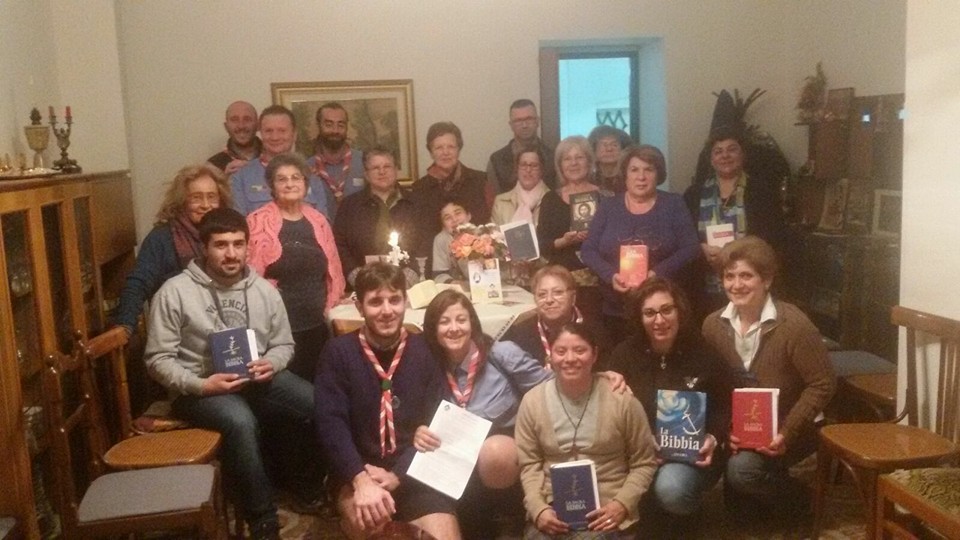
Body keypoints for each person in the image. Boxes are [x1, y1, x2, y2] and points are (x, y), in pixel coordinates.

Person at [144, 207, 318, 540]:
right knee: (240, 422)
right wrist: (201, 385)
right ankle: (263, 519)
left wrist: (272, 363)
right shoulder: (174, 292)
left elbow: (284, 344)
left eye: (238, 244)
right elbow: (157, 360)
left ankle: (310, 488)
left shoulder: (264, 291)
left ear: (247, 246)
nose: (231, 253)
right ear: (204, 248)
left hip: (256, 379)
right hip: (199, 389)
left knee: (318, 402)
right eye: (221, 245)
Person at [314, 263, 461, 540]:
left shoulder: (425, 350)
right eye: (375, 302)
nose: (387, 310)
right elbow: (331, 424)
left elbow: (436, 422)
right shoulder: (338, 352)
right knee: (374, 526)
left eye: (394, 300)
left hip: (415, 468)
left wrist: (399, 475)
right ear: (359, 307)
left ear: (405, 302)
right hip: (359, 470)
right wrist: (360, 478)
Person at [700, 236, 835, 520]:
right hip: (745, 426)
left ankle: (807, 500)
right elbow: (714, 386)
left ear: (767, 280)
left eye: (746, 276)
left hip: (794, 425)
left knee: (742, 472)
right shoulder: (712, 326)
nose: (736, 285)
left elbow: (823, 383)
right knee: (739, 511)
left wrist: (786, 431)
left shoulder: (794, 325)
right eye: (729, 276)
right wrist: (726, 430)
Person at [414, 290, 553, 539]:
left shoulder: (501, 353)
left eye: (461, 320)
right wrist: (419, 430)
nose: (454, 328)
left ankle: (506, 522)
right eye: (444, 322)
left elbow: (549, 387)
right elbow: (413, 412)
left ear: (473, 323)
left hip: (501, 447)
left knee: (494, 452)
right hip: (453, 448)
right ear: (432, 329)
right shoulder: (427, 363)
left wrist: (600, 377)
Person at [604, 277, 732, 536]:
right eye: (649, 313)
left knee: (671, 490)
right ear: (639, 317)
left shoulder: (703, 352)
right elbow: (610, 409)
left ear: (679, 311)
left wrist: (714, 436)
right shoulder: (624, 355)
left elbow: (727, 402)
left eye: (666, 310)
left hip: (691, 456)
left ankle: (689, 511)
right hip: (639, 453)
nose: (659, 320)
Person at [515, 322, 658, 538]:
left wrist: (622, 504)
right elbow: (529, 464)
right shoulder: (532, 402)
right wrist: (538, 509)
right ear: (550, 357)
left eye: (580, 350)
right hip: (552, 509)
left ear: (594, 355)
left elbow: (644, 462)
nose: (570, 358)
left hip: (608, 511)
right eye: (561, 351)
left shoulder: (622, 400)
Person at [581, 145, 700, 341]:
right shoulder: (608, 206)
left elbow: (691, 248)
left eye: (648, 169)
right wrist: (611, 276)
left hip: (663, 308)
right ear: (625, 174)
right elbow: (588, 250)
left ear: (658, 174)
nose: (641, 177)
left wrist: (656, 274)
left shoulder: (673, 204)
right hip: (615, 308)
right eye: (634, 170)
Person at [247, 153, 345, 382]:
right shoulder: (256, 221)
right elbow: (248, 279)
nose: (290, 184)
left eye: (296, 177)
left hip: (316, 326)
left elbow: (334, 272)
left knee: (319, 388)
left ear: (305, 183)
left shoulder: (319, 220)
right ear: (271, 186)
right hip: (275, 333)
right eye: (282, 179)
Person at [114, 163, 232, 335]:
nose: (205, 205)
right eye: (196, 198)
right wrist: (125, 326)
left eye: (212, 197)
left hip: (225, 326)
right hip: (177, 330)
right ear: (182, 200)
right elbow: (138, 283)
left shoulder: (231, 235)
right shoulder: (161, 237)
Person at [683, 126, 788, 318]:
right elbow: (683, 236)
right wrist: (700, 248)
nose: (725, 155)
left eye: (732, 149)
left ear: (742, 154)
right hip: (705, 286)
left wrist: (736, 252)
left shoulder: (762, 191)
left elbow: (774, 236)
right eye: (718, 151)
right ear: (711, 159)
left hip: (749, 284)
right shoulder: (694, 194)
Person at [536, 136, 607, 323]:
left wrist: (594, 237)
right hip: (560, 285)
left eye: (579, 157)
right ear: (560, 166)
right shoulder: (550, 199)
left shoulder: (606, 197)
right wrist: (564, 241)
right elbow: (541, 244)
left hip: (599, 282)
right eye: (567, 159)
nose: (573, 163)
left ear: (589, 162)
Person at [334, 146, 419, 288]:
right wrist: (357, 277)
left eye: (387, 166)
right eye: (375, 168)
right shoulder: (349, 206)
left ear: (396, 170)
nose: (382, 172)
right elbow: (339, 245)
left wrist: (408, 279)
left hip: (408, 285)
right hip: (361, 283)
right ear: (366, 174)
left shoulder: (415, 203)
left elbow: (425, 243)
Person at [410, 121, 491, 267]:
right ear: (431, 152)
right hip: (435, 266)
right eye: (439, 147)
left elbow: (488, 225)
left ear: (459, 149)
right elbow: (420, 236)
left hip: (478, 264)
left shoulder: (480, 181)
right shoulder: (419, 189)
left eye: (451, 147)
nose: (445, 152)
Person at [231, 105, 331, 218]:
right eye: (268, 131)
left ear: (294, 135)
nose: (275, 137)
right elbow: (238, 224)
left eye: (282, 131)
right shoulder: (241, 177)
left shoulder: (311, 175)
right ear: (261, 134)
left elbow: (322, 223)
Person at [502, 265, 609, 366]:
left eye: (558, 292)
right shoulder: (520, 334)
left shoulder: (595, 331)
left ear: (573, 297)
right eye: (542, 294)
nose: (549, 300)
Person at [487, 99, 557, 193]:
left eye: (529, 119)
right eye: (518, 121)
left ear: (537, 121)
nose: (524, 125)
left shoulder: (553, 158)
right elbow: (493, 199)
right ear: (511, 125)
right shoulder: (496, 161)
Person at [306, 102, 365, 206]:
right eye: (329, 125)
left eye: (340, 125)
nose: (335, 130)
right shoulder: (306, 167)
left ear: (347, 127)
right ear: (318, 126)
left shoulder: (364, 162)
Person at [491, 145, 549, 226]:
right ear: (517, 169)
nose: (528, 170)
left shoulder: (553, 200)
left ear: (541, 170)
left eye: (534, 165)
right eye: (523, 165)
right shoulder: (500, 202)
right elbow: (494, 233)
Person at [207, 101, 262, 175]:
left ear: (258, 125)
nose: (241, 126)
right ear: (226, 126)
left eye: (247, 119)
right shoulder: (213, 167)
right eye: (234, 120)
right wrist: (224, 178)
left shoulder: (273, 157)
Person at [430, 196, 473, 283]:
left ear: (468, 215)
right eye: (448, 218)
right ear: (443, 226)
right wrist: (452, 282)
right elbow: (439, 275)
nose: (454, 220)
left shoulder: (482, 235)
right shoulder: (441, 240)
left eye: (458, 213)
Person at [588, 125, 632, 193]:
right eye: (604, 145)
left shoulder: (632, 179)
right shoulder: (588, 181)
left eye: (614, 145)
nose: (609, 149)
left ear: (623, 149)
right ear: (593, 150)